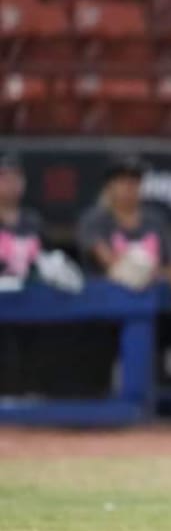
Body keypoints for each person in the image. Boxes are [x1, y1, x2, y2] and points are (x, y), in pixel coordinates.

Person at [76, 156, 171, 420]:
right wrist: (148, 269)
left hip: (153, 309)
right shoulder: (95, 219)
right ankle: (105, 399)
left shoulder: (155, 221)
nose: (130, 188)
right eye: (123, 182)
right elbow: (114, 265)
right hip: (109, 314)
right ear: (109, 187)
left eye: (135, 182)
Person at [0, 154, 83, 394]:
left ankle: (35, 393)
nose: (10, 184)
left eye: (15, 178)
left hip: (32, 299)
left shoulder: (33, 220)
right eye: (3, 178)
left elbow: (48, 258)